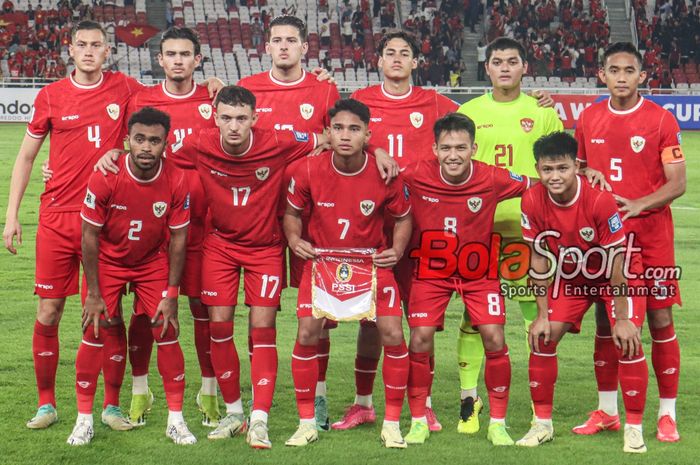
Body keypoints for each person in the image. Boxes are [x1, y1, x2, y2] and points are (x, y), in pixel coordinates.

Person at [83, 26, 225, 428]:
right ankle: (140, 389)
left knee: (202, 310)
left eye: (186, 54)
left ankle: (209, 391)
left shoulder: (213, 97)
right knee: (148, 314)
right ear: (159, 60)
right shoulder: (139, 98)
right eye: (170, 54)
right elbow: (116, 148)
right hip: (146, 228)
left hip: (199, 226)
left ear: (198, 60)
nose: (178, 60)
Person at [3, 20, 142, 430]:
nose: (87, 51)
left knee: (106, 314)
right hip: (58, 217)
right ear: (69, 48)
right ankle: (46, 404)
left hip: (106, 219)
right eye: (80, 44)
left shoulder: (126, 88)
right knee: (49, 310)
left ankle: (111, 406)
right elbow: (27, 157)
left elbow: (155, 123)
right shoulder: (50, 95)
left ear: (107, 51)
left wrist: (117, 149)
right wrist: (12, 215)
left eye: (95, 45)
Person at [178, 85, 324, 449]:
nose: (233, 126)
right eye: (226, 118)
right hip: (220, 247)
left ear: (255, 119)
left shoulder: (278, 140)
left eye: (242, 119)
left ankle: (260, 418)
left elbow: (328, 137)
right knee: (219, 326)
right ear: (215, 118)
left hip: (265, 248)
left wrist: (379, 150)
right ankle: (234, 412)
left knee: (263, 328)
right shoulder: (199, 143)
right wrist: (114, 154)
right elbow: (152, 156)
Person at [336, 30, 458, 433]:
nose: (397, 59)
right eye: (390, 52)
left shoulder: (437, 103)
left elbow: (476, 128)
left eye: (405, 53)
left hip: (424, 227)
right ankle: (363, 404)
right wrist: (375, 151)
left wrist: (541, 100)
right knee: (374, 320)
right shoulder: (363, 102)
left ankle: (423, 406)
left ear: (415, 62)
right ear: (379, 60)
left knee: (420, 321)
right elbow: (334, 136)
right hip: (373, 228)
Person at [284, 98, 412, 449]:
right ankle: (306, 421)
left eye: (354, 129)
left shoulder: (383, 172)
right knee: (308, 332)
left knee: (392, 332)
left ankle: (391, 423)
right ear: (327, 132)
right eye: (338, 128)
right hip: (323, 260)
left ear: (367, 135)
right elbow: (292, 213)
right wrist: (294, 239)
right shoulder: (308, 169)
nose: (345, 135)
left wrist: (397, 250)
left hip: (370, 262)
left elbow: (403, 217)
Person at [575, 42, 686, 443]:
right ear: (601, 75)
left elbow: (679, 182)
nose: (621, 77)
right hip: (605, 239)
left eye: (629, 70)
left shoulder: (660, 120)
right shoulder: (588, 118)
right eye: (613, 69)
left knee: (659, 319)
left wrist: (638, 203)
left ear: (642, 76)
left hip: (652, 236)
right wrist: (589, 176)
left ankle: (667, 415)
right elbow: (581, 167)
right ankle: (607, 411)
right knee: (606, 320)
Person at [455, 37, 563, 434]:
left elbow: (560, 170)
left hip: (529, 236)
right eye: (497, 62)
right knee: (474, 317)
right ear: (487, 69)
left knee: (535, 316)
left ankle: (540, 410)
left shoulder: (543, 112)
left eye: (512, 61)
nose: (504, 68)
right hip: (479, 233)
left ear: (524, 67)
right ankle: (470, 403)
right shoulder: (467, 112)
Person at [516, 131, 649, 453]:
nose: (554, 176)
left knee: (627, 340)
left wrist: (621, 317)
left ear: (576, 166)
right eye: (547, 170)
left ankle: (633, 427)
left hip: (617, 273)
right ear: (538, 168)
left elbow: (617, 262)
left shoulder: (599, 200)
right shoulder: (532, 199)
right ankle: (542, 425)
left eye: (562, 168)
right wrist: (542, 316)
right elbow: (537, 258)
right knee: (542, 337)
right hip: (573, 276)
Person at [70, 107, 195, 446]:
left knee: (165, 328)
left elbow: (180, 239)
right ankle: (83, 420)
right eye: (139, 139)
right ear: (127, 140)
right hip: (108, 261)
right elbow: (89, 237)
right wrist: (94, 294)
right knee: (93, 327)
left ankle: (176, 420)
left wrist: (171, 294)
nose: (145, 147)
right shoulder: (106, 176)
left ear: (165, 144)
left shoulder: (177, 178)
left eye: (154, 141)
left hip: (151, 261)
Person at [404, 113, 531, 446]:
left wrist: (583, 175)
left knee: (494, 337)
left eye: (461, 147)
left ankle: (497, 423)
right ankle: (418, 420)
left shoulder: (492, 178)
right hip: (431, 269)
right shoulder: (416, 174)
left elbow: (536, 183)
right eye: (446, 148)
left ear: (474, 148)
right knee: (419, 338)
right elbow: (379, 181)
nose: (453, 155)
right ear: (434, 148)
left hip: (479, 270)